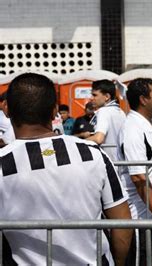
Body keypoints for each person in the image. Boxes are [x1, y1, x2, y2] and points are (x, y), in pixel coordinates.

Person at [0, 73, 132, 265]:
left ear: (7, 110)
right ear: (55, 110)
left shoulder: (3, 163)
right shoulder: (92, 154)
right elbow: (122, 223)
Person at [117, 78, 152, 265]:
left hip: (150, 217)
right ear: (143, 99)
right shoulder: (133, 129)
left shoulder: (146, 125)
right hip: (140, 221)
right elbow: (138, 176)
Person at [88, 79, 126, 162]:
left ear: (107, 97)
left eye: (95, 95)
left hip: (110, 166)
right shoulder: (120, 111)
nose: (91, 98)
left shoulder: (104, 111)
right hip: (122, 166)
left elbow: (99, 139)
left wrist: (78, 141)